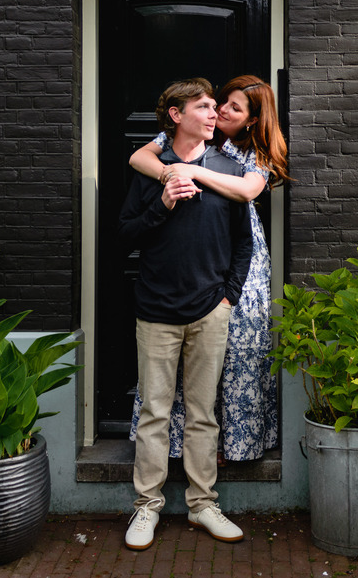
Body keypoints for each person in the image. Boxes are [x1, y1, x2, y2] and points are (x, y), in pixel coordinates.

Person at [118, 78, 253, 551]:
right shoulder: (151, 171)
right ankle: (147, 506)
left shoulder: (226, 168)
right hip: (156, 311)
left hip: (209, 311)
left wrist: (227, 297)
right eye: (203, 106)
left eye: (216, 106)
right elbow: (125, 234)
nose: (214, 113)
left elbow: (243, 242)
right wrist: (163, 204)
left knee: (202, 414)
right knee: (155, 412)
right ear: (176, 115)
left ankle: (202, 505)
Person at [127, 75, 290, 463]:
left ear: (252, 119)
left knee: (237, 356)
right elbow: (138, 158)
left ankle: (233, 444)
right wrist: (172, 173)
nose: (220, 111)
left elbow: (248, 190)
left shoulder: (257, 153)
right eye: (220, 103)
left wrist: (194, 173)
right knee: (187, 358)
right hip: (192, 253)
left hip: (238, 259)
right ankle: (180, 443)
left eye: (234, 107)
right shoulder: (194, 137)